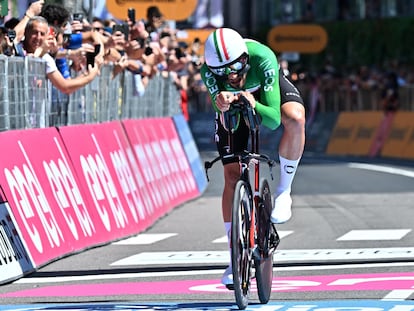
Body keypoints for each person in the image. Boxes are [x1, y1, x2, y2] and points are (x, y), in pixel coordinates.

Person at [200, 28, 305, 286]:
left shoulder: (262, 58)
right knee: (231, 174)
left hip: (263, 94)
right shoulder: (208, 71)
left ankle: (284, 191)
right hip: (235, 103)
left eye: (236, 66)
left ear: (245, 58)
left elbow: (272, 120)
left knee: (295, 119)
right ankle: (234, 256)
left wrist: (254, 103)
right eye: (222, 72)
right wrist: (221, 102)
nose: (231, 75)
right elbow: (219, 107)